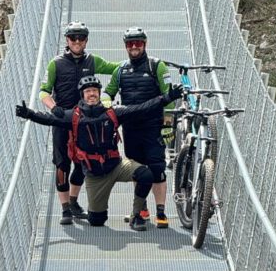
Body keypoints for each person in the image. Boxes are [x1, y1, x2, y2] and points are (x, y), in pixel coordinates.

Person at [16, 76, 183, 230]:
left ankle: (136, 215)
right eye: (88, 91)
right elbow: (49, 118)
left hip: (117, 166)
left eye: (95, 91)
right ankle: (93, 211)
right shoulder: (73, 116)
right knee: (97, 221)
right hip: (95, 176)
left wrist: (166, 98)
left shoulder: (112, 112)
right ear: (82, 95)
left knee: (145, 174)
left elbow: (141, 108)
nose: (92, 94)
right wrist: (29, 114)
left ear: (99, 93)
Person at [39, 22, 120, 225]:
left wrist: (108, 96)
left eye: (81, 38)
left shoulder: (93, 61)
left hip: (84, 121)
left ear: (86, 40)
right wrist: (53, 107)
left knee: (82, 162)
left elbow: (119, 70)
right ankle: (65, 209)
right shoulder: (55, 63)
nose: (77, 41)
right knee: (61, 164)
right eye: (73, 38)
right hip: (62, 120)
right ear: (66, 40)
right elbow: (43, 91)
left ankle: (74, 202)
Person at [103, 27, 174, 228]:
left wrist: (168, 126)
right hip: (131, 129)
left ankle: (161, 211)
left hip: (153, 127)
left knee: (158, 169)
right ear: (125, 46)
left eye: (138, 43)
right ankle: (141, 209)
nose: (134, 47)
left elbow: (170, 99)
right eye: (130, 43)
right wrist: (106, 104)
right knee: (138, 170)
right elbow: (108, 92)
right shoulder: (120, 70)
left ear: (145, 44)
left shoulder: (157, 67)